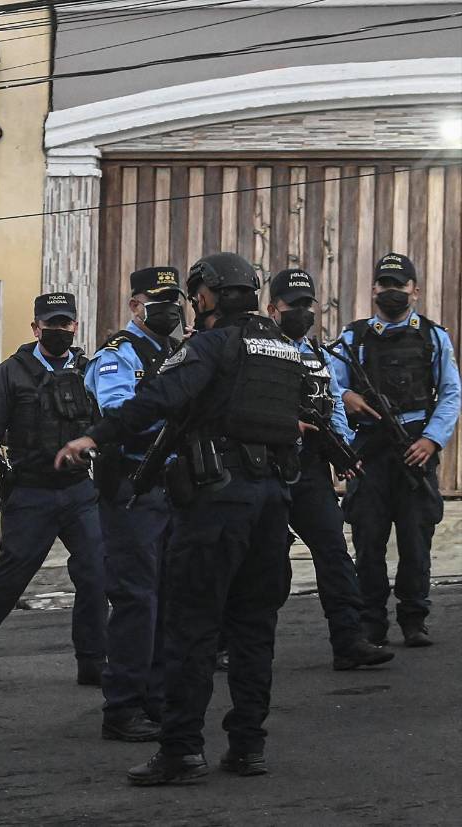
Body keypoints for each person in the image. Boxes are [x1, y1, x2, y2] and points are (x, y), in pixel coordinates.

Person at [57, 252, 307, 785]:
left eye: (198, 294)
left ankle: (181, 750)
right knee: (253, 630)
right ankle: (246, 747)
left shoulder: (209, 345)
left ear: (210, 294)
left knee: (190, 627)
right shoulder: (284, 349)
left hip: (218, 502)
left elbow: (155, 400)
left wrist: (93, 437)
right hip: (272, 503)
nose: (194, 303)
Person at [0, 292, 106, 691]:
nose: (58, 330)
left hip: (78, 491)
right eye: (50, 324)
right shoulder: (11, 373)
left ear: (75, 326)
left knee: (96, 573)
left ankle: (92, 660)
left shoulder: (88, 371)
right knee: (9, 580)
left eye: (65, 323)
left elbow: (107, 425)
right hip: (30, 494)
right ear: (35, 328)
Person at [328, 253, 460, 648]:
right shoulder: (352, 338)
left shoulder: (434, 336)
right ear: (373, 290)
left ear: (414, 291)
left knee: (416, 540)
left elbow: (451, 392)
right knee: (368, 540)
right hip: (369, 449)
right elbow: (325, 384)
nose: (391, 292)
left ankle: (414, 618)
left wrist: (432, 438)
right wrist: (347, 395)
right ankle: (372, 622)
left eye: (399, 286)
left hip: (415, 448)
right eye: (384, 285)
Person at [265, 269, 394, 671]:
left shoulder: (318, 354)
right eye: (294, 305)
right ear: (273, 310)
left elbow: (335, 402)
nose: (303, 311)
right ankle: (232, 644)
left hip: (310, 470)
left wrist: (340, 448)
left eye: (308, 304)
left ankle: (349, 639)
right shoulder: (260, 350)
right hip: (267, 469)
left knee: (335, 553)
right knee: (264, 562)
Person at [84, 266, 183, 742]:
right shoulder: (117, 356)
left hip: (173, 487)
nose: (168, 308)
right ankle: (122, 707)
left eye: (173, 300)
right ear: (133, 305)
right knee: (136, 600)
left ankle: (157, 699)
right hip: (133, 485)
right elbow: (119, 413)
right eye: (156, 300)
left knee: (168, 598)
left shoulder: (178, 353)